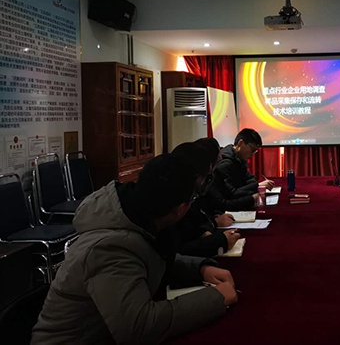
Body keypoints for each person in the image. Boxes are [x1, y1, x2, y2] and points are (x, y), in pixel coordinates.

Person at [31, 152, 238, 344]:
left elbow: (150, 260)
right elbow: (139, 327)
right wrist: (215, 298)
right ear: (180, 208)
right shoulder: (109, 248)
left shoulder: (136, 215)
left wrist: (200, 269)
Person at [171, 139, 241, 257]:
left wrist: (206, 229)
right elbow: (174, 252)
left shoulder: (190, 190)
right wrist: (217, 239)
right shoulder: (176, 199)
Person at [205, 128, 274, 212]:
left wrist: (253, 186)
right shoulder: (225, 163)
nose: (252, 154)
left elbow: (250, 178)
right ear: (240, 143)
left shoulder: (239, 159)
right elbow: (232, 194)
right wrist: (255, 190)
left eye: (255, 152)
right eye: (252, 150)